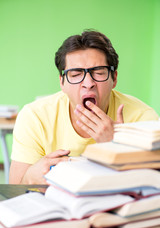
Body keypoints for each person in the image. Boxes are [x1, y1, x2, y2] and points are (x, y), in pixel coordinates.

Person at [9, 30, 159, 184]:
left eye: (99, 73)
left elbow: (153, 187)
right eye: (75, 75)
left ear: (114, 79)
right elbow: (15, 190)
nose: (88, 84)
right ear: (62, 82)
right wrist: (29, 177)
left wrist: (116, 148)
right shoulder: (35, 116)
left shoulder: (142, 118)